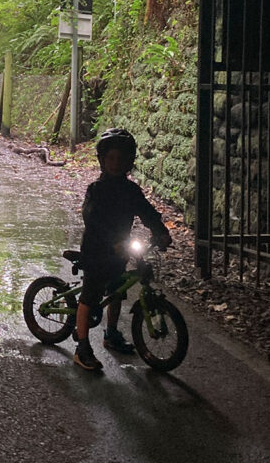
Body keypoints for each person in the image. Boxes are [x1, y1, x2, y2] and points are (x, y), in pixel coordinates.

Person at [73, 128, 172, 371]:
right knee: (90, 296)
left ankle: (111, 333)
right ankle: (82, 347)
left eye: (121, 159)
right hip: (97, 250)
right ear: (103, 161)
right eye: (111, 159)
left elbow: (147, 212)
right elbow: (92, 219)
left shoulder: (131, 191)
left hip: (118, 251)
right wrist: (111, 241)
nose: (116, 164)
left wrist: (160, 231)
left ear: (129, 161)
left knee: (117, 290)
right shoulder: (96, 190)